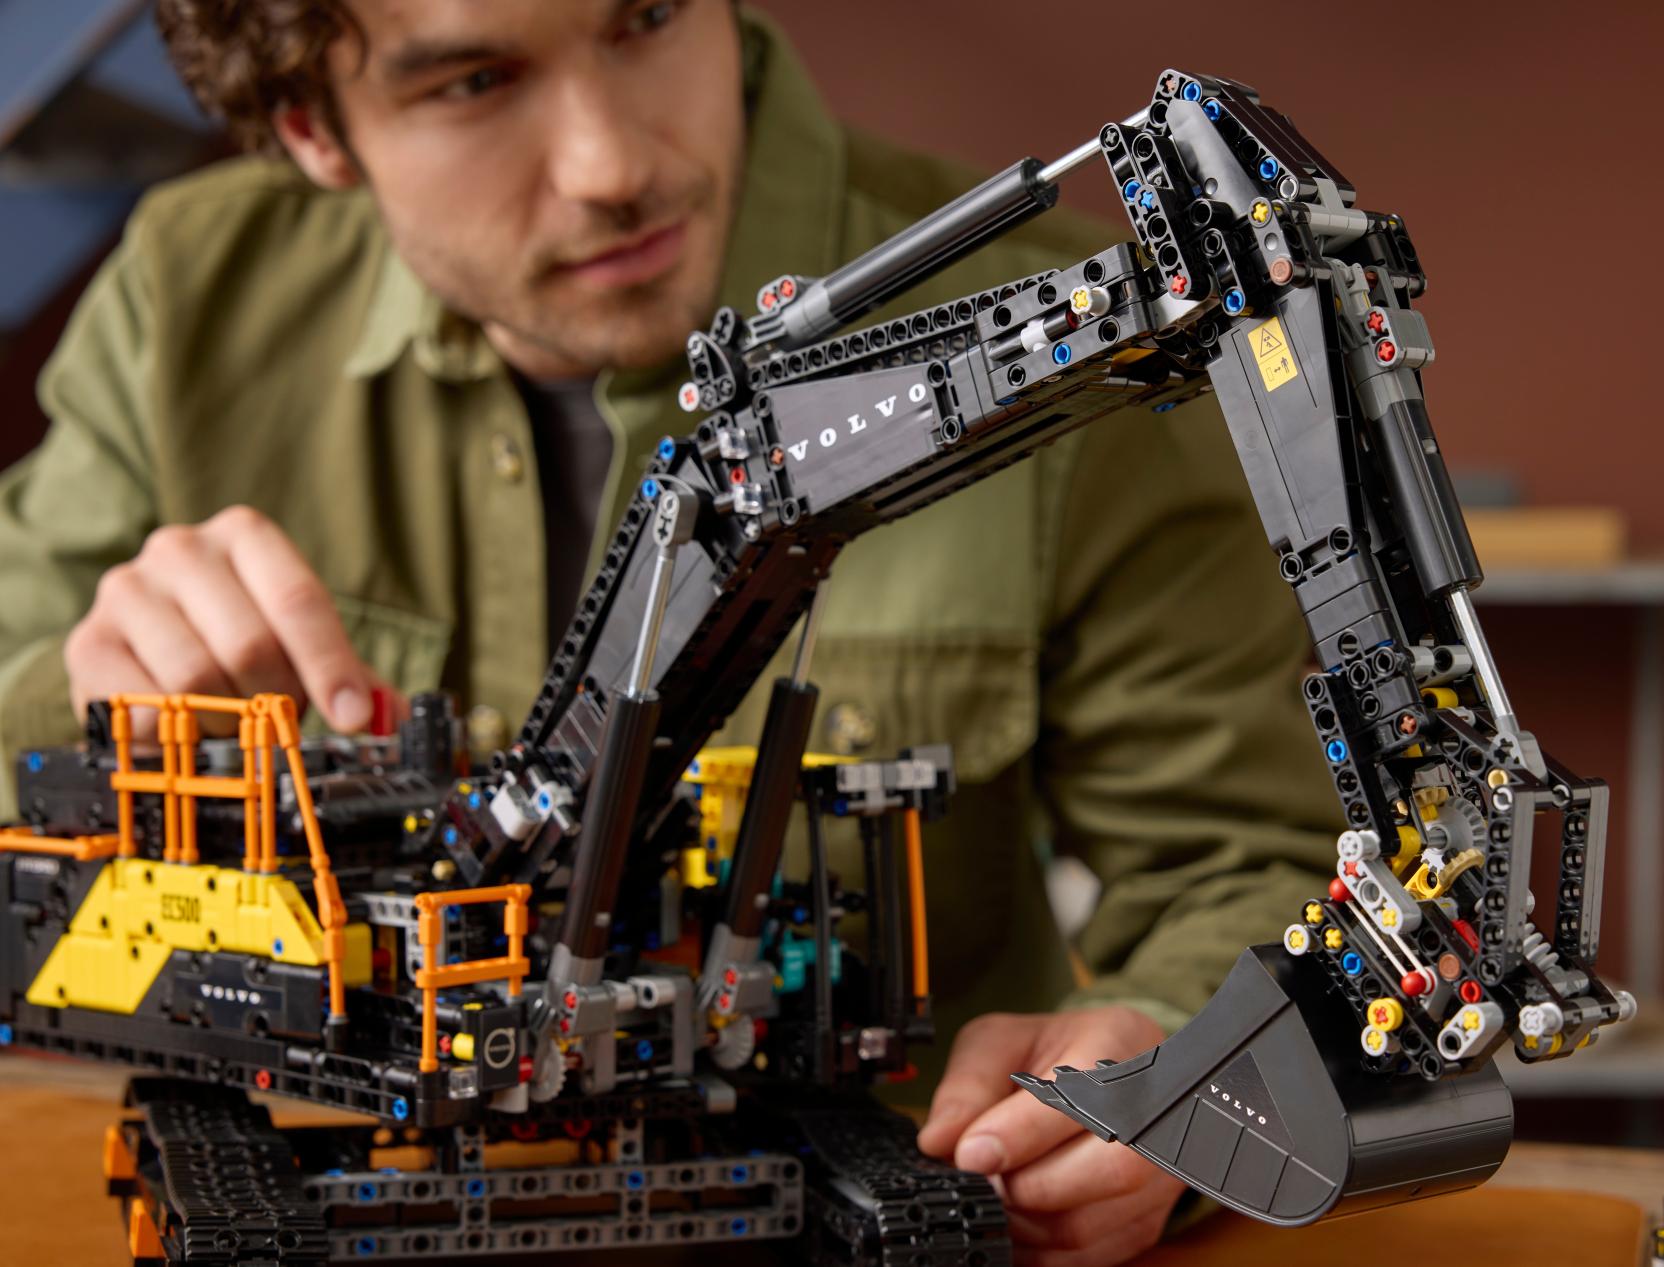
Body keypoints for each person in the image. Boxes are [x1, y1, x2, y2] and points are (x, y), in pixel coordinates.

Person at [0, 2, 1340, 1261]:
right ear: (312, 127)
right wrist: (86, 687)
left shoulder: (1060, 330)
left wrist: (1175, 1061)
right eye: (474, 79)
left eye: (646, 17)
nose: (613, 167)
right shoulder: (185, 303)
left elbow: (1247, 865)